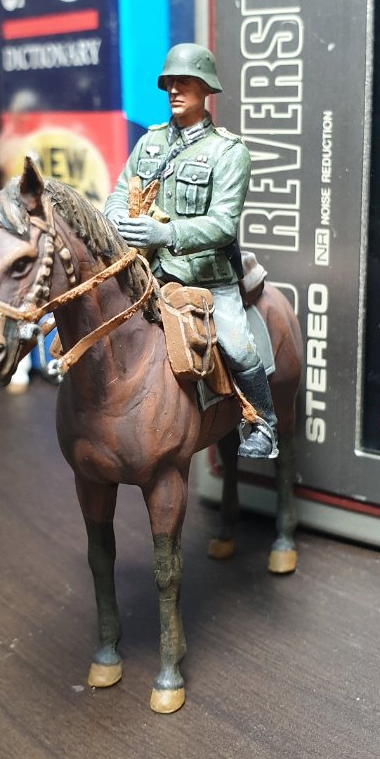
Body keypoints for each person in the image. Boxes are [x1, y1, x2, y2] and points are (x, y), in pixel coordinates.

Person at [105, 42, 278, 458]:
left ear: (205, 88)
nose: (174, 90)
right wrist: (117, 218)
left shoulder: (228, 151)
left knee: (237, 345)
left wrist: (165, 234)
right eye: (170, 82)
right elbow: (119, 190)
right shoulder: (150, 142)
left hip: (206, 274)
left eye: (184, 82)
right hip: (148, 268)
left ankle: (263, 425)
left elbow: (222, 224)